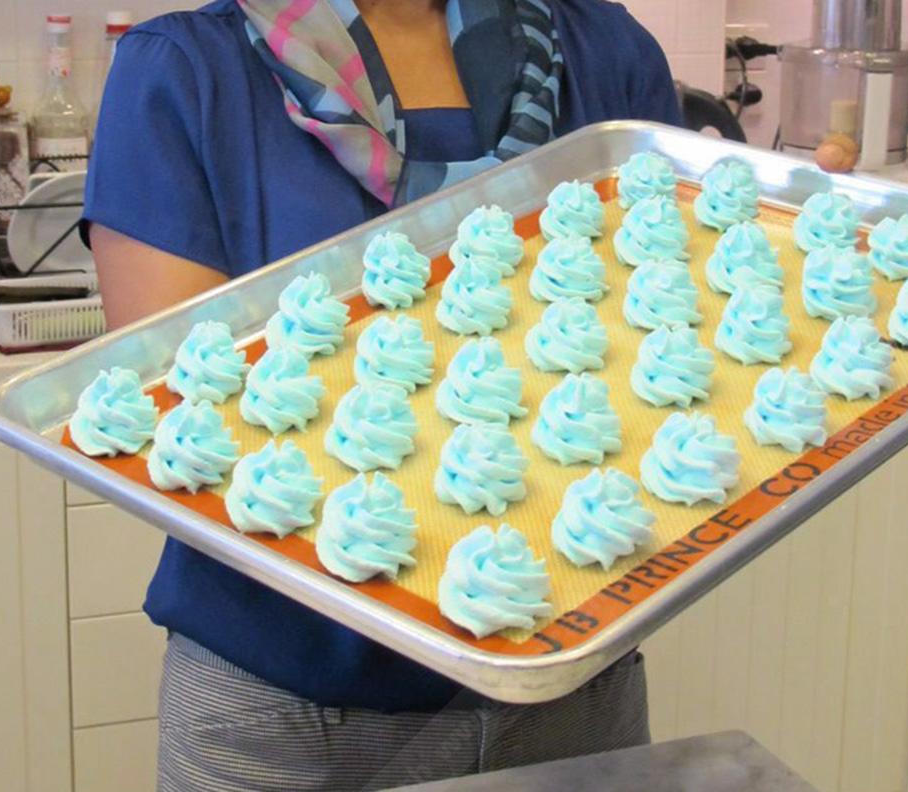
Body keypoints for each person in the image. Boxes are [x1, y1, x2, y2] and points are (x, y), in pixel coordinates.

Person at [84, 1, 680, 789]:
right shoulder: (187, 73)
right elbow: (187, 418)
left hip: (572, 697)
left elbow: (677, 343)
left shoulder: (604, 52)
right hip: (286, 714)